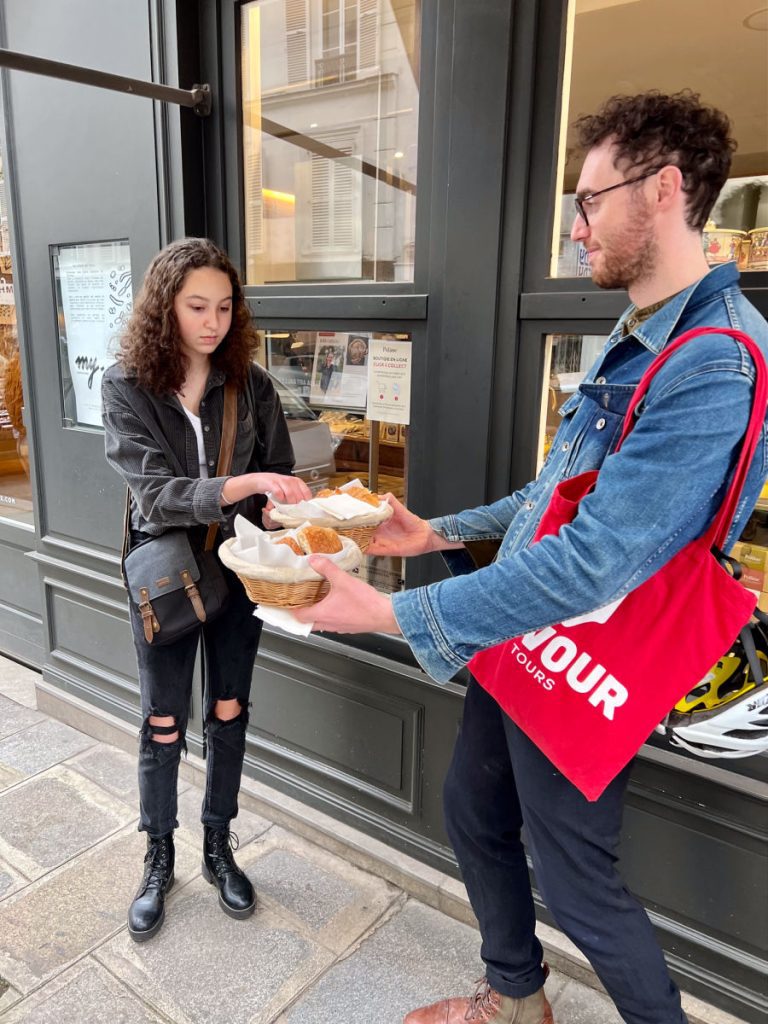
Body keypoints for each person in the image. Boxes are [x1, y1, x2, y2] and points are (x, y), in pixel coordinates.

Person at [292, 91, 768, 1024]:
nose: (577, 226)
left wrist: (395, 613)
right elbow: (555, 498)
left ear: (664, 190)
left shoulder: (714, 361)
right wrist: (435, 533)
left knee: (578, 881)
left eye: (590, 200)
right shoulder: (639, 335)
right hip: (529, 635)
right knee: (474, 812)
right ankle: (515, 998)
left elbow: (596, 562)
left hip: (592, 653)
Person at [102, 238, 311, 943]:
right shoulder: (126, 386)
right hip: (163, 576)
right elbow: (156, 497)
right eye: (197, 306)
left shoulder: (249, 383)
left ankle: (218, 843)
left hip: (240, 574)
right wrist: (245, 486)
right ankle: (158, 855)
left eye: (225, 307)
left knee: (228, 709)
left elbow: (275, 469)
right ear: (165, 307)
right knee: (164, 722)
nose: (213, 321)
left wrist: (300, 510)